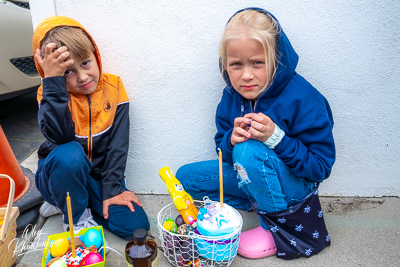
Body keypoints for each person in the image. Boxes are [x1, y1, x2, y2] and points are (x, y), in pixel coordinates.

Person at [176, 8, 335, 259]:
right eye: (236, 65)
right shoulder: (231, 96)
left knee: (248, 151)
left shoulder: (303, 98)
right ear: (225, 65)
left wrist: (276, 138)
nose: (246, 75)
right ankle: (258, 201)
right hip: (251, 171)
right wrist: (230, 140)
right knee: (186, 179)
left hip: (296, 188)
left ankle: (273, 228)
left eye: (257, 63)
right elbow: (222, 152)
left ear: (276, 60)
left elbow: (320, 168)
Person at [32, 16, 150, 240]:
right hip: (59, 172)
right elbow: (60, 136)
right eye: (67, 72)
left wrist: (112, 190)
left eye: (85, 63)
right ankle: (74, 214)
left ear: (95, 55)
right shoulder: (48, 93)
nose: (83, 77)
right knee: (70, 154)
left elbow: (118, 146)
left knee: (135, 227)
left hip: (95, 178)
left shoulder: (114, 88)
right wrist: (53, 84)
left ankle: (70, 201)